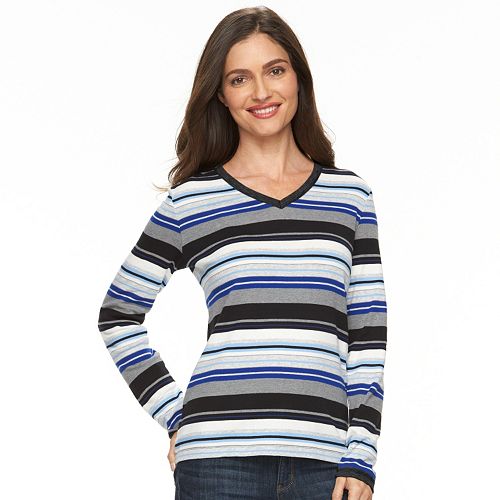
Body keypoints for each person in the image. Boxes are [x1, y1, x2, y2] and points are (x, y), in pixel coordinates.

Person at [97, 6, 387, 500]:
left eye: (274, 70)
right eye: (239, 79)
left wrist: (361, 456)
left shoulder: (349, 197)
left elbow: (368, 335)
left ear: (298, 77)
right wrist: (176, 415)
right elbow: (117, 315)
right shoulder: (191, 202)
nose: (260, 92)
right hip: (216, 464)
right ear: (221, 94)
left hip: (324, 464)